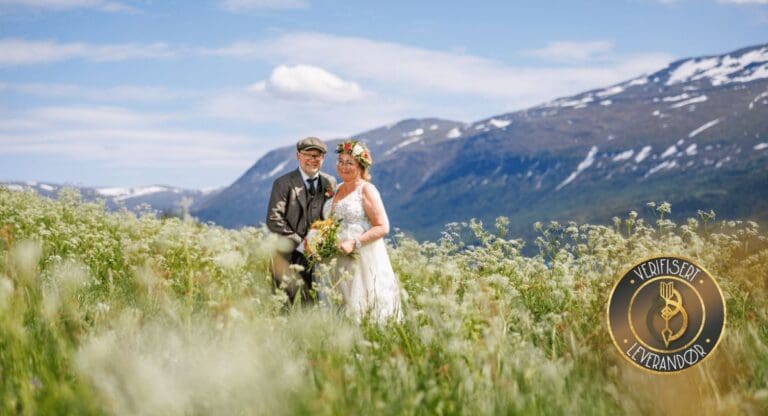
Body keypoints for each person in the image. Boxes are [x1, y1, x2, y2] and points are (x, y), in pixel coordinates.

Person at [321, 139, 402, 321]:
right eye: (340, 162)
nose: (343, 166)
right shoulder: (336, 189)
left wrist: (354, 242)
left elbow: (382, 226)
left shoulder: (367, 190)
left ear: (361, 166)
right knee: (338, 306)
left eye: (349, 163)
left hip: (359, 258)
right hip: (334, 257)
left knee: (361, 306)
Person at [267, 137, 337, 304]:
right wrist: (301, 243)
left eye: (317, 156)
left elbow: (333, 215)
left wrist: (323, 243)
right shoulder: (283, 183)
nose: (313, 159)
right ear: (298, 156)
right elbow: (273, 218)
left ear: (323, 159)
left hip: (318, 258)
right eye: (308, 155)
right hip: (286, 256)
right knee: (283, 305)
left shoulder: (330, 182)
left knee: (313, 304)